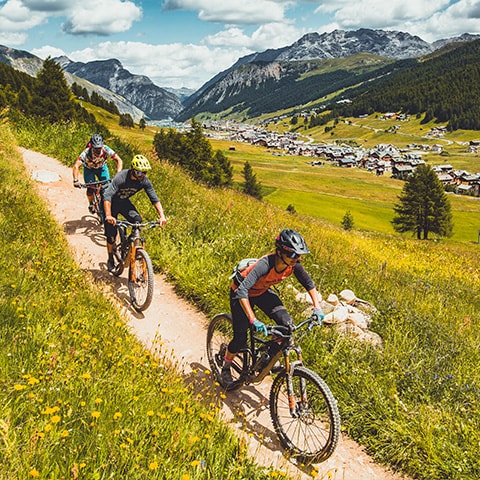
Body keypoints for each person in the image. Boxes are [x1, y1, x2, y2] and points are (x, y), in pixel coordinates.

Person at [221, 228, 324, 389]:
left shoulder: (294, 265)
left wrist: (317, 307)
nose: (296, 259)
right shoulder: (265, 265)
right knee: (240, 339)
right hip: (241, 293)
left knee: (287, 325)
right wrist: (253, 319)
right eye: (292, 255)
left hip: (261, 292)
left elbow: (308, 283)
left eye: (299, 255)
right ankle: (226, 367)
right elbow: (242, 291)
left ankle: (266, 359)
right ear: (280, 252)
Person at [102, 154, 167, 272]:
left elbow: (154, 199)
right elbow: (107, 196)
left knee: (138, 220)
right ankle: (111, 259)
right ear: (132, 170)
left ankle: (131, 244)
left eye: (144, 173)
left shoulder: (144, 181)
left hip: (123, 202)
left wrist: (162, 216)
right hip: (111, 204)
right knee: (111, 235)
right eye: (138, 173)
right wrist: (108, 215)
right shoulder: (121, 177)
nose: (141, 176)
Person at [72, 133, 123, 213]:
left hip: (102, 168)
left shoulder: (106, 149)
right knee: (90, 189)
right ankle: (91, 203)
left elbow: (119, 160)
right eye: (95, 148)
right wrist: (76, 180)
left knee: (107, 188)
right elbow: (76, 166)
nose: (98, 150)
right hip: (89, 169)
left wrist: (118, 174)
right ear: (91, 146)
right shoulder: (86, 153)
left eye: (99, 148)